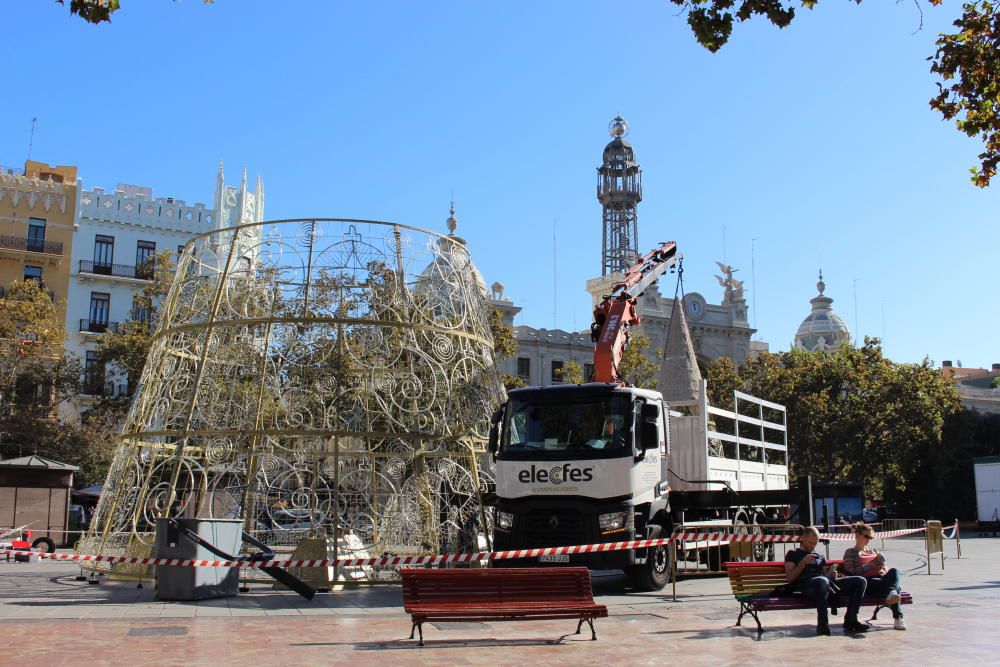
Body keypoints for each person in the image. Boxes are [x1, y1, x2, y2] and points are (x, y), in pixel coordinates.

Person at [784, 526, 869, 635]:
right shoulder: (793, 554)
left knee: (860, 581)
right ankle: (823, 624)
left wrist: (831, 575)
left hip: (824, 584)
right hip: (807, 586)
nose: (813, 546)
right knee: (822, 581)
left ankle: (851, 619)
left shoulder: (819, 556)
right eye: (810, 543)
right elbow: (790, 578)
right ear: (803, 539)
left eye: (815, 543)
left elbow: (825, 577)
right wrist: (802, 563)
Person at [842, 522, 906, 630]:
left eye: (870, 537)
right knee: (896, 588)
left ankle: (891, 594)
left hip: (881, 580)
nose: (868, 540)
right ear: (857, 535)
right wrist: (870, 566)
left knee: (894, 571)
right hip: (866, 583)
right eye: (866, 536)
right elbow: (851, 573)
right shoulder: (850, 552)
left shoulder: (873, 551)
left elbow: (886, 571)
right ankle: (898, 617)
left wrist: (882, 567)